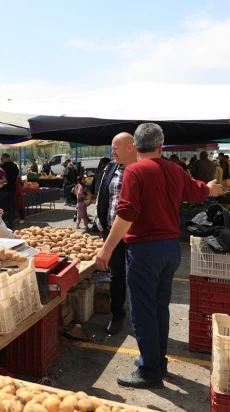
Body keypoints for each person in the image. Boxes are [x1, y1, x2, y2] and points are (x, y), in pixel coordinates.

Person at [95, 123, 222, 388]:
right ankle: (156, 361)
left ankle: (150, 370)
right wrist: (210, 188)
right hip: (170, 249)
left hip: (144, 251)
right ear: (161, 145)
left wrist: (106, 249)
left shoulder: (135, 171)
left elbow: (126, 213)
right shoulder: (174, 169)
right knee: (158, 308)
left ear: (136, 146)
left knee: (143, 312)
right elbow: (196, 190)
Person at [95, 133, 137, 335]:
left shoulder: (141, 169)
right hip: (113, 233)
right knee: (117, 276)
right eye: (112, 147)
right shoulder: (110, 168)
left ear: (131, 147)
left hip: (137, 234)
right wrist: (101, 221)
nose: (112, 151)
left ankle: (140, 317)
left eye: (116, 147)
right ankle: (117, 314)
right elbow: (102, 193)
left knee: (137, 275)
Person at [0, 154, 19, 230]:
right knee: (10, 208)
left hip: (3, 189)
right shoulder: (15, 166)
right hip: (12, 189)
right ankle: (10, 224)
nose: (1, 160)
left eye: (2, 158)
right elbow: (16, 178)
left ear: (5, 158)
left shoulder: (2, 167)